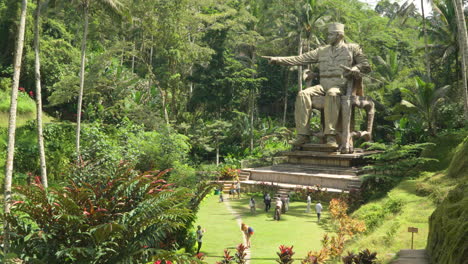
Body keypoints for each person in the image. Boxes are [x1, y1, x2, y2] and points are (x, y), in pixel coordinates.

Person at [264, 23, 371, 148]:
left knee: (332, 93)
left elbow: (366, 66)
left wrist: (356, 68)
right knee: (303, 94)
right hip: (323, 84)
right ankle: (303, 135)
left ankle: (330, 136)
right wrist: (277, 60)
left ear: (339, 35)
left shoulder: (352, 48)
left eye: (330, 34)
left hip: (341, 84)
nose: (327, 36)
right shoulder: (321, 51)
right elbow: (299, 59)